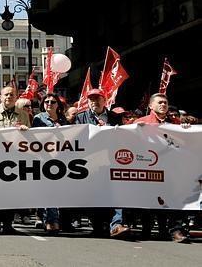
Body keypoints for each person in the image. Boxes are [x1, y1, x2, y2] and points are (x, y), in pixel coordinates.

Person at [133, 93, 191, 243]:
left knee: (174, 198)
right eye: (159, 102)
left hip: (171, 169)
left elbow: (187, 140)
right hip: (149, 165)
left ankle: (175, 230)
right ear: (151, 106)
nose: (163, 105)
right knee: (149, 198)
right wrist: (134, 129)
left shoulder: (177, 123)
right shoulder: (141, 122)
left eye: (165, 102)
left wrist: (186, 129)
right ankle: (147, 228)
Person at [74, 88, 126, 238]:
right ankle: (98, 226)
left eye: (97, 99)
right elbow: (78, 137)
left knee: (116, 193)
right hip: (91, 162)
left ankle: (116, 224)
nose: (94, 102)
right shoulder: (81, 117)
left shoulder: (115, 117)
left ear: (104, 100)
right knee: (96, 194)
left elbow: (122, 136)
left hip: (111, 161)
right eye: (91, 99)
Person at [0, 86, 30, 234]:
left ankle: (8, 224)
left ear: (16, 97)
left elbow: (31, 137)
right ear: (0, 97)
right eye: (6, 94)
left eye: (12, 94)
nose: (9, 97)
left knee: (11, 192)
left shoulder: (23, 114)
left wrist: (25, 131)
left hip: (14, 160)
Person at [32, 93, 68, 234]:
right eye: (46, 101)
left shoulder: (63, 120)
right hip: (43, 159)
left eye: (53, 102)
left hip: (61, 160)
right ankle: (52, 221)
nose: (49, 104)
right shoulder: (38, 119)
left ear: (58, 105)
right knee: (49, 189)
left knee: (54, 190)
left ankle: (44, 216)